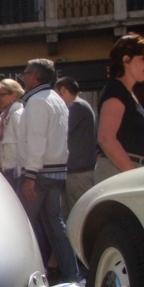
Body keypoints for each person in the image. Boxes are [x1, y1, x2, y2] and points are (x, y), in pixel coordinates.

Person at [17, 58, 81, 282]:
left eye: (26, 73)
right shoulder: (57, 99)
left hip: (39, 172)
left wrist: (30, 174)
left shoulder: (37, 101)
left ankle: (33, 274)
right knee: (55, 224)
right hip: (56, 170)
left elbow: (37, 139)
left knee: (25, 224)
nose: (23, 77)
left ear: (34, 76)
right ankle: (72, 275)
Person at [95, 33, 144, 183]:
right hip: (119, 171)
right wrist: (134, 176)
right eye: (143, 59)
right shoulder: (116, 90)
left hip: (125, 170)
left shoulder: (128, 93)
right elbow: (106, 138)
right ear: (126, 60)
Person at [54, 76, 97, 218]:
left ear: (63, 90)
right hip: (75, 170)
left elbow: (60, 131)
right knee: (69, 215)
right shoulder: (80, 106)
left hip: (78, 171)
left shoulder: (76, 106)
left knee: (80, 214)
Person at [0, 78, 25, 188]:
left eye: (2, 95)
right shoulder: (5, 116)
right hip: (8, 171)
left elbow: (24, 144)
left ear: (14, 94)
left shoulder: (17, 115)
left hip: (17, 172)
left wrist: (21, 171)